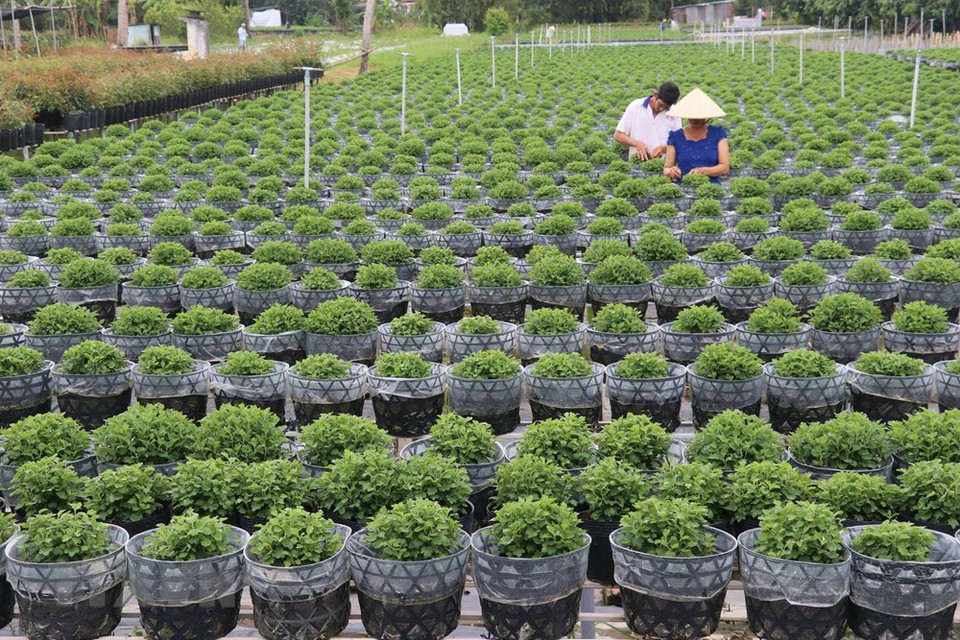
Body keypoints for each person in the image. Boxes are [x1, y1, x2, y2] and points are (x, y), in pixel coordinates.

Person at [662, 87, 729, 184]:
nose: (694, 119)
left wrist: (702, 171)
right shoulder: (675, 136)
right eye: (691, 115)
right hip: (683, 188)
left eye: (698, 115)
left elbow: (725, 167)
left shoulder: (718, 133)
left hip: (712, 189)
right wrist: (671, 171)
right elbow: (666, 168)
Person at [614, 82, 681, 162]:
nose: (661, 109)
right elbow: (618, 135)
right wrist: (637, 144)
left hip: (663, 165)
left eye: (666, 107)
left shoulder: (674, 113)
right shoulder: (636, 106)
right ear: (655, 95)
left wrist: (664, 148)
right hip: (636, 164)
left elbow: (679, 143)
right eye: (660, 105)